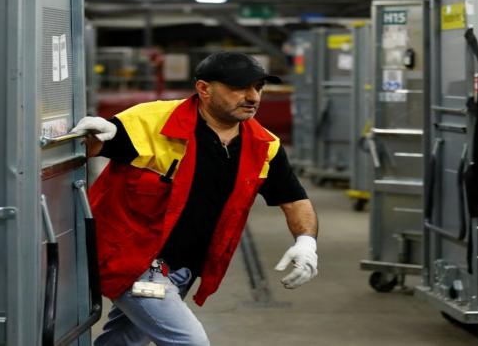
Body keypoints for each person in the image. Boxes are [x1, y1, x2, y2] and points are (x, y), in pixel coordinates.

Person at [72, 52, 319, 346]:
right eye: (239, 87)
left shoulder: (264, 145)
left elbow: (294, 200)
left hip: (182, 270)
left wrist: (307, 242)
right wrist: (90, 138)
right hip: (132, 263)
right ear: (204, 89)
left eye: (258, 88)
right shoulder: (150, 122)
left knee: (125, 341)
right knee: (190, 342)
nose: (252, 97)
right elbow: (96, 144)